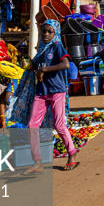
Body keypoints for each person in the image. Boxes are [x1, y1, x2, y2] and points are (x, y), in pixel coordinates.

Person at [26, 20, 78, 172]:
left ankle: (72, 153)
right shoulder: (42, 49)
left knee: (59, 125)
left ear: (55, 34)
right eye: (44, 31)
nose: (46, 34)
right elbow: (35, 65)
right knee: (32, 126)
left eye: (50, 32)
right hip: (41, 91)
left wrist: (45, 70)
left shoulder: (57, 47)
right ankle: (37, 161)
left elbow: (66, 64)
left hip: (56, 90)